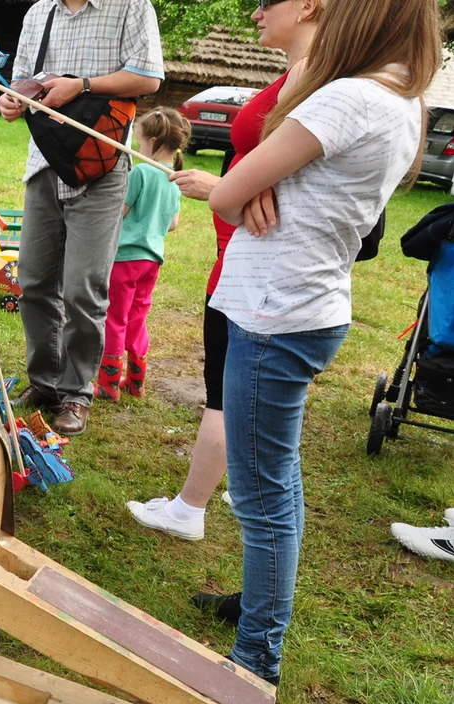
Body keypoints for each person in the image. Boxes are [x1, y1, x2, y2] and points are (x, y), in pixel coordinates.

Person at [203, 0, 439, 685]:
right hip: (304, 309)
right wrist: (251, 187)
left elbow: (226, 193)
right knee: (278, 478)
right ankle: (257, 607)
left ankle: (255, 660)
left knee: (261, 495)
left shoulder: (347, 98)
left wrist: (243, 189)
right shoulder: (399, 99)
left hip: (276, 318)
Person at [126, 0, 323, 546]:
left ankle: (191, 508)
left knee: (225, 398)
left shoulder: (326, 81)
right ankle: (237, 488)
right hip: (240, 267)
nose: (256, 14)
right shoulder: (302, 76)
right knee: (242, 404)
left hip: (258, 283)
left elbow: (308, 195)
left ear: (309, 6)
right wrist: (238, 186)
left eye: (266, 3)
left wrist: (226, 189)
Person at [1, 0, 164, 436]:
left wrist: (83, 85)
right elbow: (23, 79)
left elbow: (148, 77)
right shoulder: (38, 13)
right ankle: (45, 384)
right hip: (44, 161)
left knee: (83, 288)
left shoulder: (131, 7)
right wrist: (13, 98)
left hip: (102, 165)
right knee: (34, 282)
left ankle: (76, 392)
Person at [93, 108, 188, 402]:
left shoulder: (140, 173)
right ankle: (136, 382)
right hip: (151, 261)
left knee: (115, 317)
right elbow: (172, 224)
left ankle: (108, 384)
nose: (136, 145)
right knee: (137, 317)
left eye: (139, 139)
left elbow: (119, 213)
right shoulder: (174, 178)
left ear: (153, 140)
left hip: (125, 260)